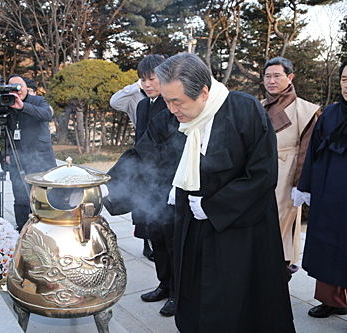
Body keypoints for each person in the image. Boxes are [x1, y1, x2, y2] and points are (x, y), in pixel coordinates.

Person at [104, 53, 295, 332]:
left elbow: (262, 174)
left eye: (176, 101)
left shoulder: (245, 110)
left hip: (239, 231)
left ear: (203, 93)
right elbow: (142, 155)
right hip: (191, 226)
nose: (170, 109)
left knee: (236, 304)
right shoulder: (172, 118)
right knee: (196, 298)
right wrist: (107, 186)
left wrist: (214, 206)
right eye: (166, 101)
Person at [113, 54, 176, 316]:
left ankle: (178, 292)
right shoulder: (141, 105)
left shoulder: (172, 103)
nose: (147, 84)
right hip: (146, 179)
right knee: (156, 237)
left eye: (152, 78)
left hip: (167, 180)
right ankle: (164, 284)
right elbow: (141, 143)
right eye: (143, 79)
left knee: (172, 240)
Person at [296, 59, 347, 319]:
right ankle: (333, 300)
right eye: (345, 79)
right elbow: (312, 154)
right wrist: (304, 187)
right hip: (329, 196)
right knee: (328, 247)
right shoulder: (329, 114)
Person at [262, 57, 320, 281]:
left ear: (290, 77)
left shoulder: (304, 110)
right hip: (261, 173)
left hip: (287, 175)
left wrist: (301, 184)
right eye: (267, 76)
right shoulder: (259, 106)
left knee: (281, 226)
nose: (272, 80)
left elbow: (307, 150)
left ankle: (279, 270)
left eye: (277, 75)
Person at [0, 74, 56, 230]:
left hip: (41, 158)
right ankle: (22, 229)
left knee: (44, 196)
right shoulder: (5, 104)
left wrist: (22, 107)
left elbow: (47, 114)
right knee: (21, 196)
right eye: (12, 88)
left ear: (25, 87)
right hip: (17, 157)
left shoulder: (38, 101)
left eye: (19, 87)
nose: (17, 91)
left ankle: (46, 228)